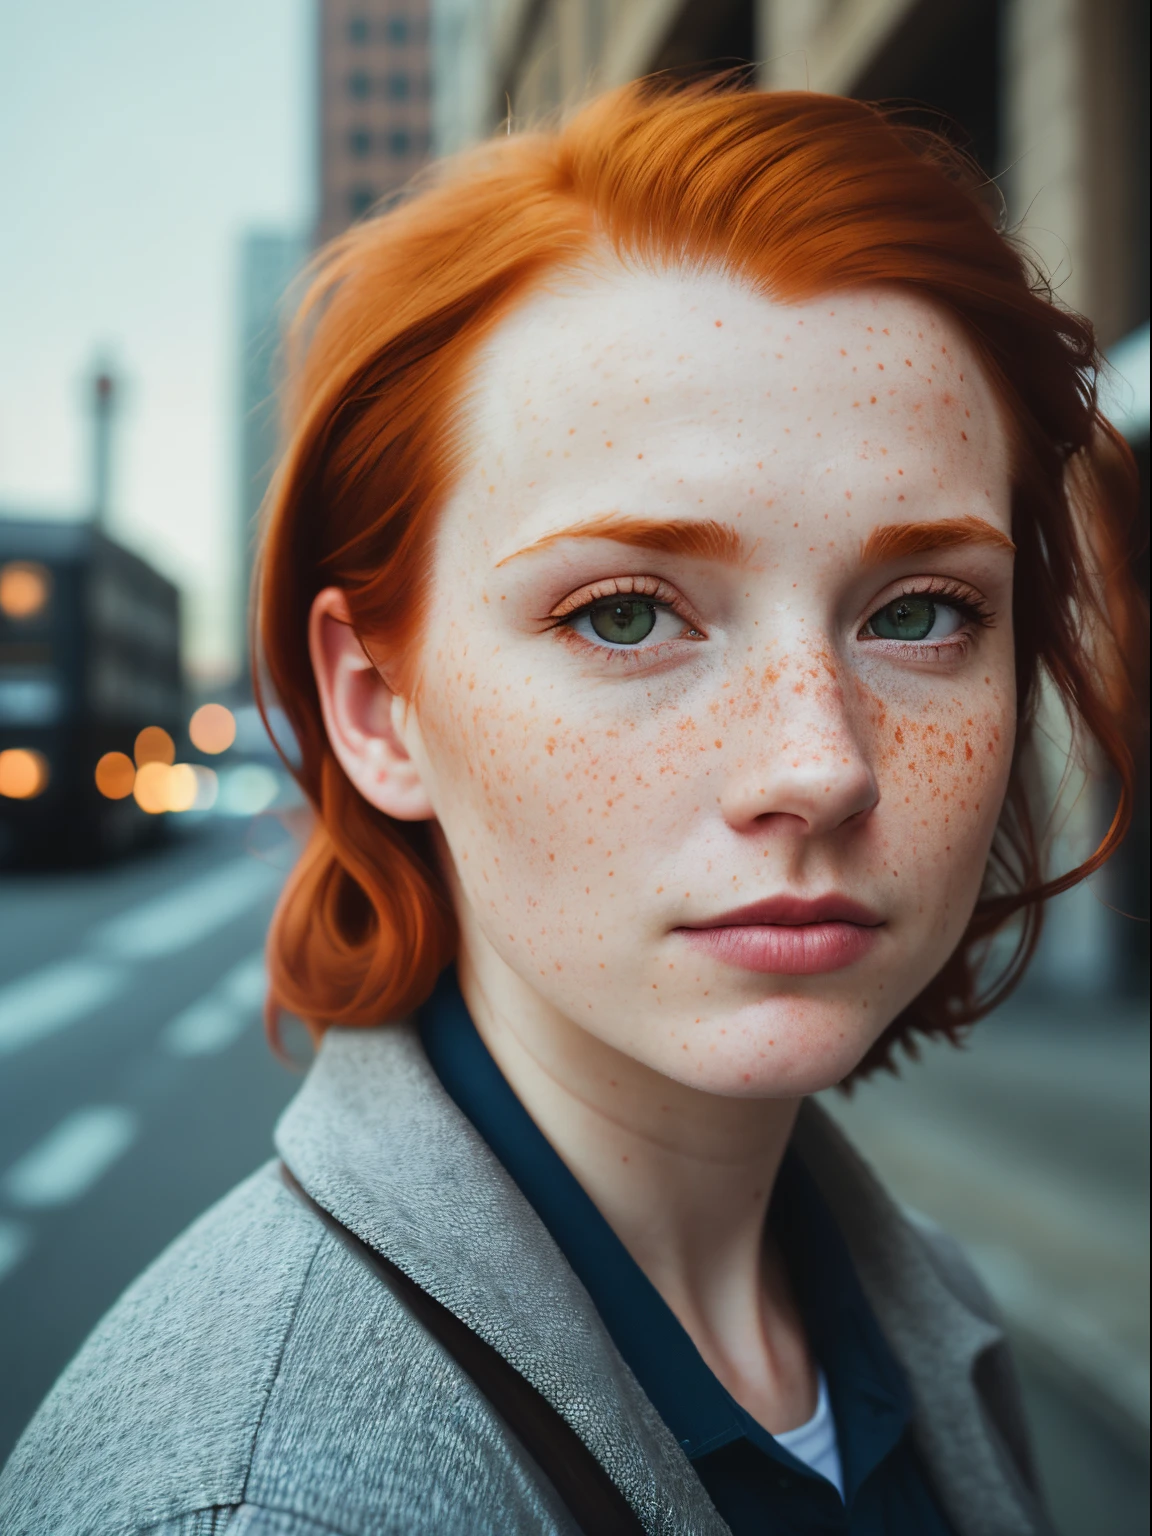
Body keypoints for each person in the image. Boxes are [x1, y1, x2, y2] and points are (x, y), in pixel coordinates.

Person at [1, 79, 1142, 1536]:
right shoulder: (261, 1498)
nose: (818, 762)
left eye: (920, 612)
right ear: (374, 709)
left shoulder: (917, 1309)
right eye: (622, 617)